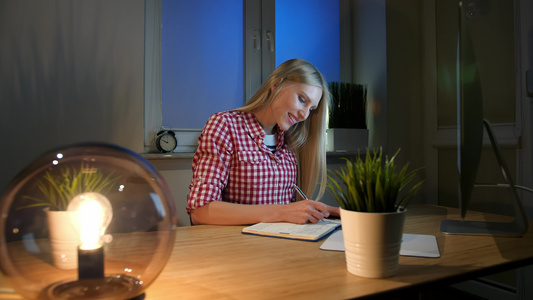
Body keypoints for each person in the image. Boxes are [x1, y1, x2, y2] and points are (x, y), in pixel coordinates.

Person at [186, 58, 340, 225]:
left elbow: (288, 212)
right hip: (237, 247)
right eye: (302, 99)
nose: (305, 115)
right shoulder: (225, 126)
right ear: (276, 85)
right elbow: (200, 212)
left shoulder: (290, 141)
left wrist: (318, 211)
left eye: (311, 109)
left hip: (281, 245)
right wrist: (282, 211)